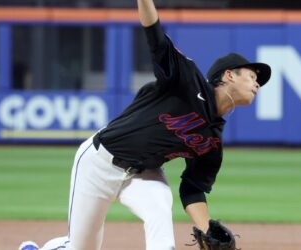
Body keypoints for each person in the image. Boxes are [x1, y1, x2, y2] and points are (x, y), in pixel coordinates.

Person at [19, 0, 271, 249]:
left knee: (160, 208)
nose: (257, 83)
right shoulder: (187, 80)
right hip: (99, 162)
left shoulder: (213, 140)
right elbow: (155, 36)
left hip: (144, 174)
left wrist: (206, 227)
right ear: (229, 75)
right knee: (80, 247)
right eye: (251, 76)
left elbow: (193, 188)